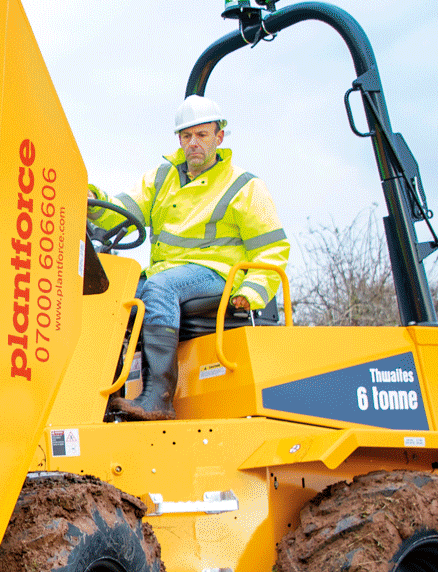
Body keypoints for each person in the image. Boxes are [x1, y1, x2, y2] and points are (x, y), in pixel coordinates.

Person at [89, 95, 289, 419]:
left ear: (219, 137)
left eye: (202, 135)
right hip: (167, 273)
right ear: (179, 140)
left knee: (159, 288)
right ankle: (101, 394)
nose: (193, 143)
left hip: (218, 273)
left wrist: (253, 291)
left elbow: (272, 247)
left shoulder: (244, 186)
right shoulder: (162, 177)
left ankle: (159, 398)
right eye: (187, 136)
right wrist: (94, 200)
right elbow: (124, 212)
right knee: (112, 292)